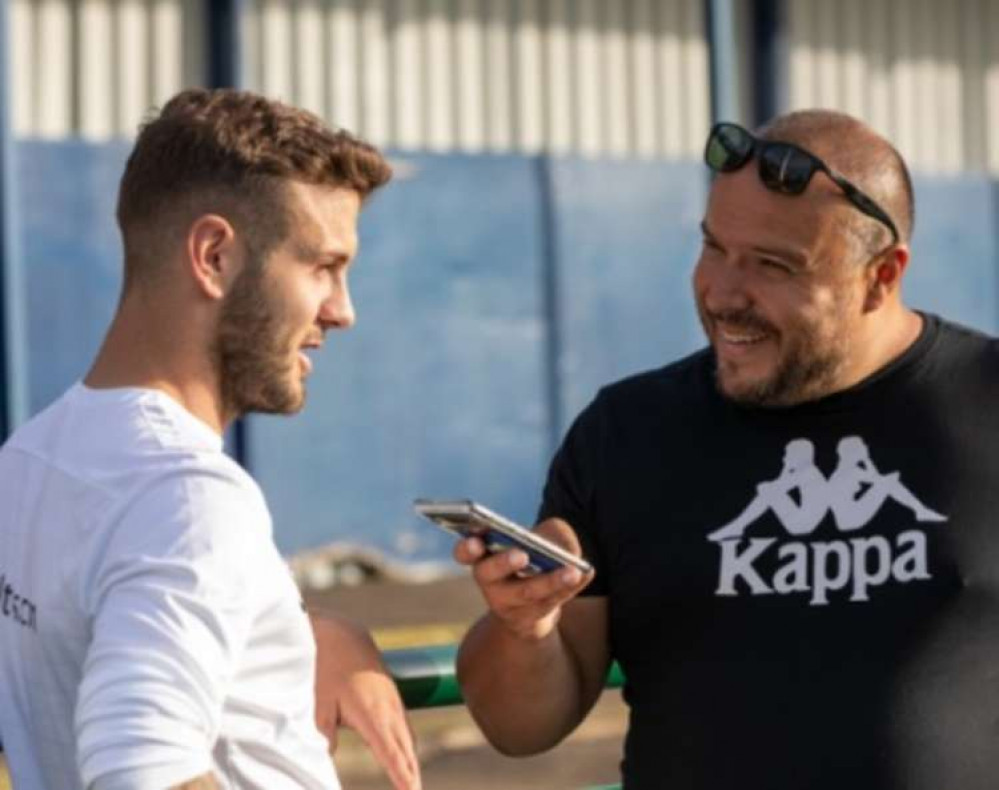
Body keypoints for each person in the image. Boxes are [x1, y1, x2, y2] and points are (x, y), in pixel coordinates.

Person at [453, 109, 999, 789]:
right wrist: (523, 627)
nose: (722, 293)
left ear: (881, 276)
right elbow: (519, 729)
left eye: (773, 266)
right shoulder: (626, 434)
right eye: (713, 247)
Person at [0, 89, 421, 790]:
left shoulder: (31, 460)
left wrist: (300, 627)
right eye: (323, 266)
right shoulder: (188, 496)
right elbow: (144, 769)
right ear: (215, 255)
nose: (342, 311)